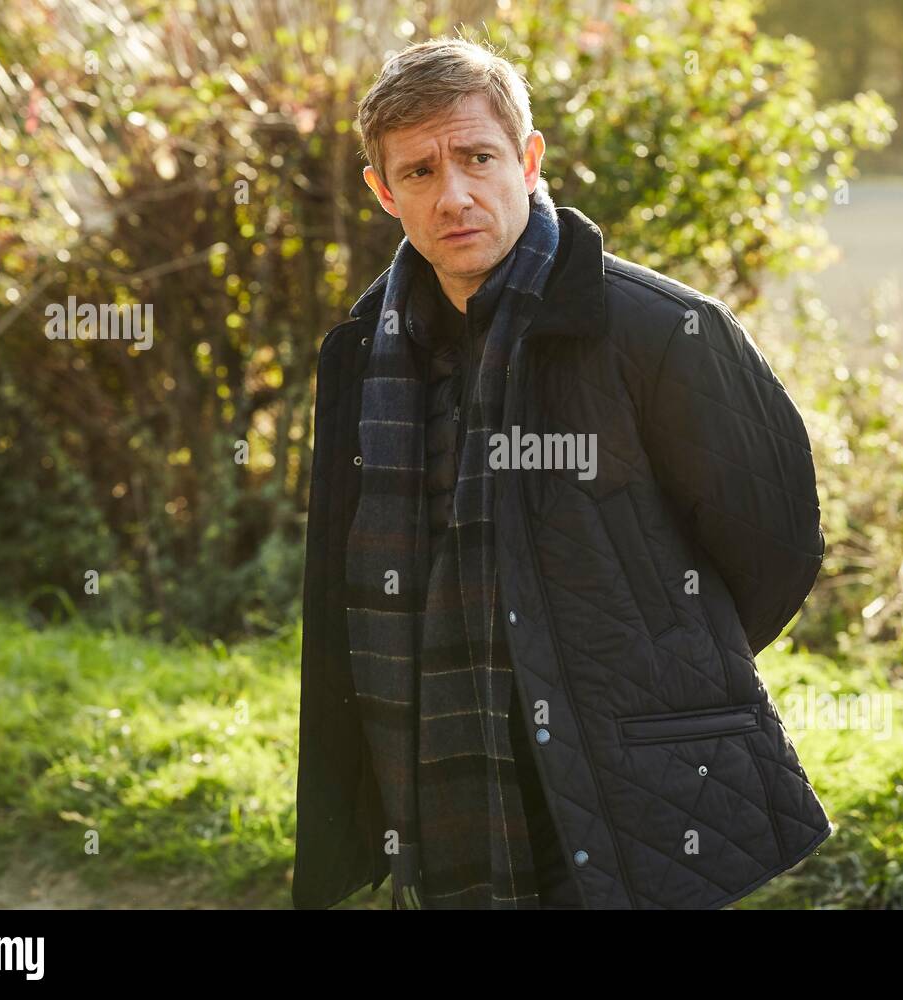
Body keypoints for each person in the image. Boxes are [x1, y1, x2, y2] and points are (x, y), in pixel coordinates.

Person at [293, 36, 831, 911]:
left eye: (477, 157)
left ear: (529, 159)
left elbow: (776, 548)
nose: (455, 194)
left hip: (631, 784)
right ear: (384, 192)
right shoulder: (362, 355)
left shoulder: (660, 331)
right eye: (421, 172)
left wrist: (631, 668)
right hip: (435, 783)